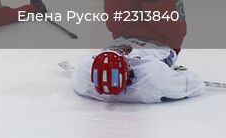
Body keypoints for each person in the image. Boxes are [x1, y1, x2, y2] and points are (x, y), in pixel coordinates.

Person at [72, 41, 204, 103]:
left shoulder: (83, 74)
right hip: (161, 43)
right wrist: (176, 73)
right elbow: (197, 84)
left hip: (125, 35)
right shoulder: (151, 78)